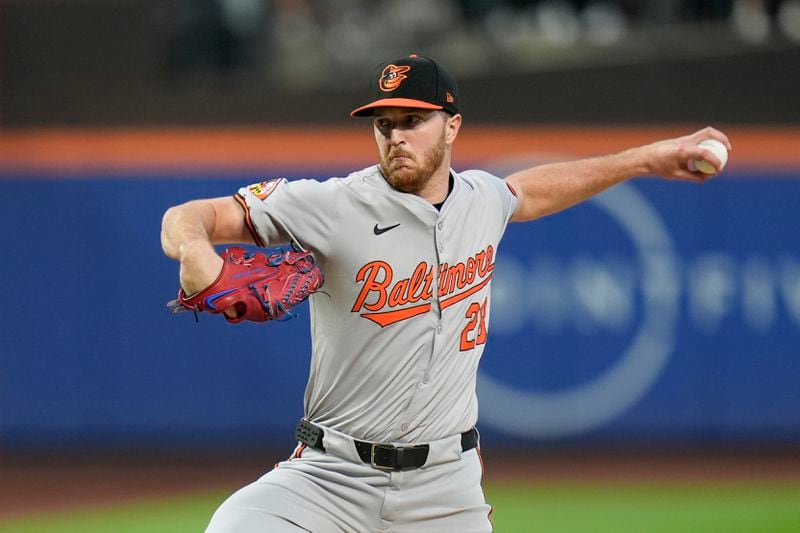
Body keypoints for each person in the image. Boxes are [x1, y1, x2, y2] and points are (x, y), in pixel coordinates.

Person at [161, 54, 730, 532]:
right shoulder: (331, 205)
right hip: (329, 476)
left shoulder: (481, 201)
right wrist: (196, 253)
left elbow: (529, 191)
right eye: (384, 123)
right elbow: (188, 215)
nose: (396, 136)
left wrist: (651, 157)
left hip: (445, 489)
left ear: (452, 126)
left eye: (413, 119)